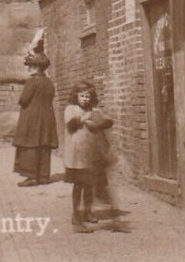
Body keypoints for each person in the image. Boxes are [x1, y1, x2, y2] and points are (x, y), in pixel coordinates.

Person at [63, 81, 130, 233]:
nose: (85, 99)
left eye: (87, 96)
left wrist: (99, 122)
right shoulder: (71, 109)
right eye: (82, 96)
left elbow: (109, 121)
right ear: (76, 96)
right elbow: (71, 124)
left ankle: (87, 212)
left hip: (91, 155)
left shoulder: (94, 110)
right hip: (76, 154)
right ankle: (76, 214)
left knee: (89, 185)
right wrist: (83, 118)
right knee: (78, 185)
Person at [12, 51, 58, 186]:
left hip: (32, 118)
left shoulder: (32, 82)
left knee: (30, 144)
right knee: (44, 145)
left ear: (38, 67)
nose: (29, 69)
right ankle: (44, 177)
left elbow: (23, 100)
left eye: (31, 66)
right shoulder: (49, 82)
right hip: (47, 118)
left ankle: (31, 176)